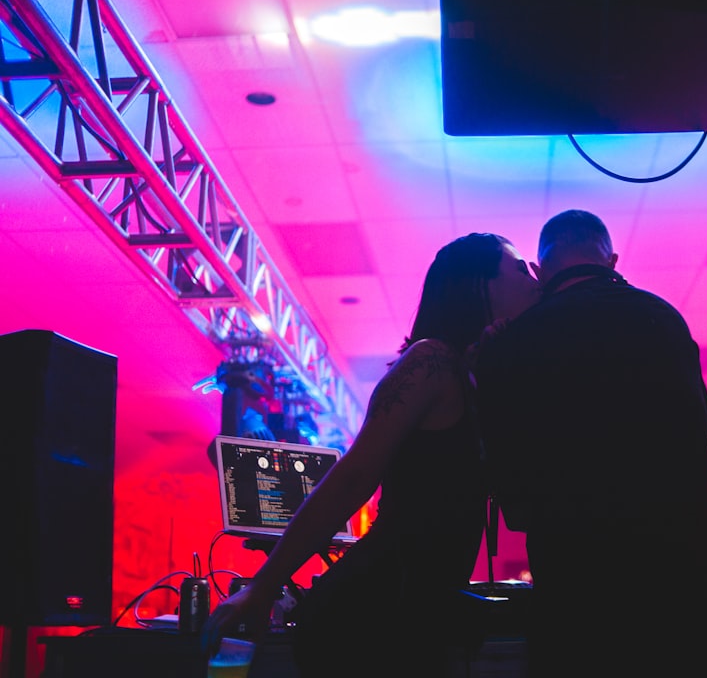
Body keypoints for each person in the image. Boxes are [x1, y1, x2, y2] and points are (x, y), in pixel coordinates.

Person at [201, 232, 540, 676]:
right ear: (480, 285)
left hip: (409, 613)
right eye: (519, 267)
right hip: (372, 610)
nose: (533, 275)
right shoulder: (430, 362)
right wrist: (263, 588)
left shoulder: (472, 379)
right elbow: (354, 476)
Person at [475, 210, 707, 677]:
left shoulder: (515, 341)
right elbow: (697, 432)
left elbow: (514, 497)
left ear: (542, 273)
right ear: (613, 260)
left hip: (582, 602)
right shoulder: (662, 317)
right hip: (687, 595)